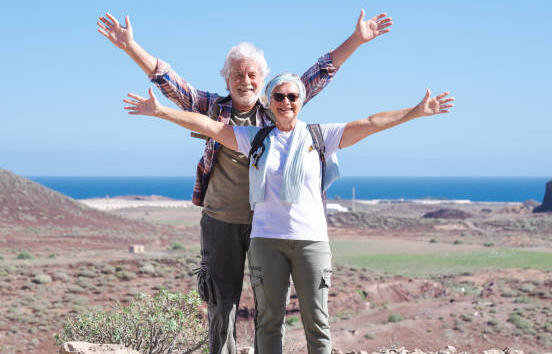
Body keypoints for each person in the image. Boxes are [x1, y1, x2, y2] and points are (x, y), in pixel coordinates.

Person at [98, 10, 392, 354]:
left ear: (263, 79)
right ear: (227, 80)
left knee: (268, 310)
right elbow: (169, 81)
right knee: (221, 303)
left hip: (266, 227)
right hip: (222, 220)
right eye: (238, 74)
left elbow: (320, 72)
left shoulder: (278, 106)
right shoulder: (212, 108)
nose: (246, 80)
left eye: (253, 74)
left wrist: (357, 39)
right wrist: (131, 47)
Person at [122, 73, 454, 354]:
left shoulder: (320, 136)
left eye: (292, 96)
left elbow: (368, 123)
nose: (285, 102)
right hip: (266, 242)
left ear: (302, 99)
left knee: (317, 322)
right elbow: (209, 126)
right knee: (268, 323)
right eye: (278, 96)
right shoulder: (256, 138)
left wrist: (415, 111)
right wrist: (160, 111)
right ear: (270, 101)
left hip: (311, 242)